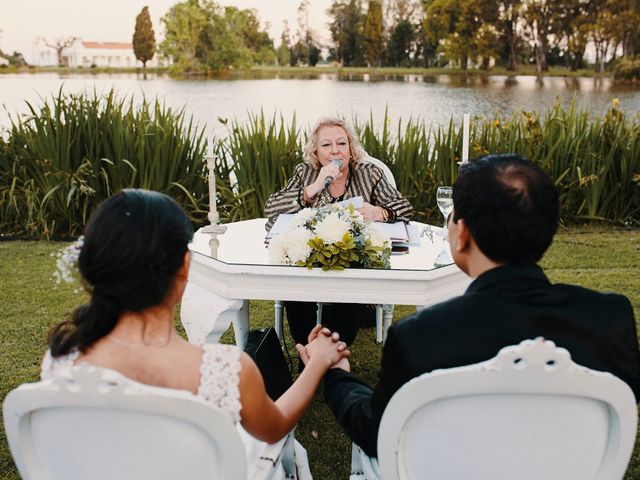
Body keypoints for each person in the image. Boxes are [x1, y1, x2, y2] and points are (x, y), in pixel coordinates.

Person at [305, 153, 640, 458]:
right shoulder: (611, 317)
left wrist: (336, 375)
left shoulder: (420, 335)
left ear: (461, 234)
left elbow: (377, 432)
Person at [42, 189, 350, 477]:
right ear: (185, 267)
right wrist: (316, 363)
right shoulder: (225, 369)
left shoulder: (62, 359)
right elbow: (275, 427)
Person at [264, 117, 413, 347]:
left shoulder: (369, 172)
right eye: (327, 145)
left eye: (342, 144)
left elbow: (405, 208)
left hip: (351, 261)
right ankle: (308, 349)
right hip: (310, 262)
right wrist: (313, 187)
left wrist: (379, 212)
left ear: (351, 149)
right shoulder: (305, 172)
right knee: (296, 289)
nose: (335, 151)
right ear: (316, 152)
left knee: (349, 289)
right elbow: (272, 208)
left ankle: (334, 349)